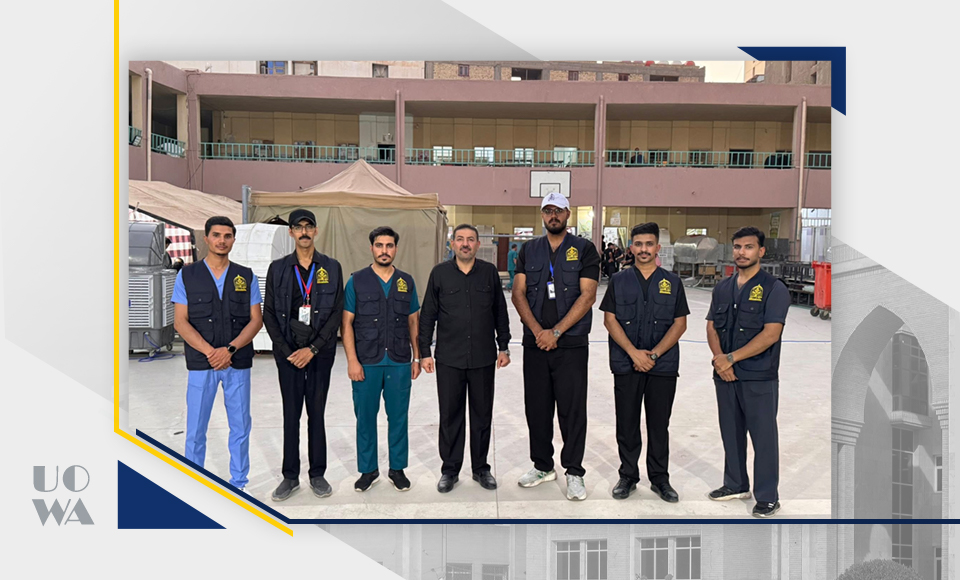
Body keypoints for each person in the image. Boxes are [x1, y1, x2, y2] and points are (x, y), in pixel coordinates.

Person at [512, 192, 600, 500]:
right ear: (542, 215)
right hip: (535, 344)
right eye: (548, 211)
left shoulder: (584, 249)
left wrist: (557, 332)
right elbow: (518, 293)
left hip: (571, 345)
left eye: (558, 210)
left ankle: (574, 471)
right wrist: (539, 332)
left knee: (572, 410)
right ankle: (542, 466)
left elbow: (588, 295)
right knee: (537, 408)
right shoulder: (529, 250)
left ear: (568, 214)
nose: (553, 216)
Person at [171, 216, 263, 491]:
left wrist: (230, 350)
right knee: (196, 428)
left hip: (238, 363)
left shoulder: (246, 276)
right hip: (203, 364)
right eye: (216, 235)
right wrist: (212, 353)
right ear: (206, 238)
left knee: (240, 426)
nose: (222, 241)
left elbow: (256, 320)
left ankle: (239, 483)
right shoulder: (187, 275)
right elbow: (180, 322)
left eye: (227, 236)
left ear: (233, 240)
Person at [419, 224, 511, 493]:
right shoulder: (440, 273)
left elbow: (500, 311)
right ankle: (450, 470)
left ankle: (481, 468)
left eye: (470, 239)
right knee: (450, 416)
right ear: (452, 244)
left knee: (482, 415)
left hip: (483, 357)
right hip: (449, 358)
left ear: (478, 244)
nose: (465, 244)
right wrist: (424, 352)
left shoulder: (489, 273)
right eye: (460, 239)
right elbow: (428, 314)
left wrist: (503, 346)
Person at [706, 226, 790, 518]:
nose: (742, 252)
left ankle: (767, 496)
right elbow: (712, 326)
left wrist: (730, 358)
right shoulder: (722, 288)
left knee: (763, 437)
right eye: (738, 247)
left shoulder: (774, 289)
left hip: (758, 376)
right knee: (731, 432)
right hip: (725, 375)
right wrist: (720, 360)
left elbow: (770, 334)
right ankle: (735, 484)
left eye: (749, 247)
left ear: (761, 251)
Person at [600, 223, 689, 502]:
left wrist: (653, 355)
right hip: (626, 364)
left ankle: (660, 479)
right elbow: (610, 320)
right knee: (627, 423)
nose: (643, 249)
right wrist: (633, 353)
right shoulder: (619, 281)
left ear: (657, 247)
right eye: (638, 244)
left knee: (659, 424)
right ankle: (628, 475)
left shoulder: (672, 282)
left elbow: (680, 324)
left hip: (662, 366)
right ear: (631, 248)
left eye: (649, 244)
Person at [263, 209, 344, 501]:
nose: (304, 232)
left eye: (309, 227)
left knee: (316, 413)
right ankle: (290, 476)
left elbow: (336, 312)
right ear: (291, 232)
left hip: (320, 353)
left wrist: (312, 349)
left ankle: (317, 474)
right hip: (288, 354)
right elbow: (269, 313)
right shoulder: (278, 268)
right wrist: (289, 352)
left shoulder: (331, 267)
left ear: (316, 231)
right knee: (291, 414)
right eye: (298, 227)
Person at [342, 226, 421, 492]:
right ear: (371, 248)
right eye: (379, 245)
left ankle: (397, 469)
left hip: (399, 361)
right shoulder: (357, 281)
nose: (384, 250)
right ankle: (368, 470)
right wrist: (352, 361)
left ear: (396, 249)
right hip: (367, 361)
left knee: (398, 418)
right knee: (365, 418)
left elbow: (413, 321)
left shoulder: (406, 281)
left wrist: (417, 357)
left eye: (389, 245)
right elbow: (346, 323)